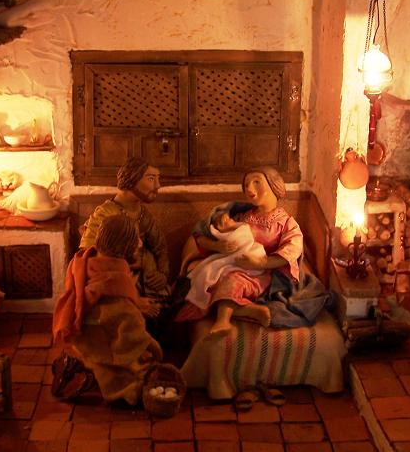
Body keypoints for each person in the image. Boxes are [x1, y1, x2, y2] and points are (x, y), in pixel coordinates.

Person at [176, 166, 303, 336]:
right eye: (246, 185)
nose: (249, 188)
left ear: (274, 185)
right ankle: (252, 311)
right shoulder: (242, 216)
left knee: (232, 282)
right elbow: (207, 236)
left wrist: (261, 262)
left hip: (262, 275)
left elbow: (292, 249)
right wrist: (220, 242)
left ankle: (223, 321)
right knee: (209, 284)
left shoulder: (287, 223)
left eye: (256, 182)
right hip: (233, 265)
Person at [52, 214, 163, 404]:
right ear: (123, 247)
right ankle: (120, 390)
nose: (139, 244)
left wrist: (136, 302)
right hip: (94, 340)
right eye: (135, 239)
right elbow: (129, 327)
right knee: (125, 372)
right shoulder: (115, 281)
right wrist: (151, 345)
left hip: (79, 327)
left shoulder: (84, 260)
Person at [79, 158, 171, 303]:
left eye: (157, 179)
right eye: (151, 179)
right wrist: (133, 264)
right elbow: (89, 255)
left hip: (145, 282)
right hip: (115, 284)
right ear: (132, 179)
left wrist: (163, 274)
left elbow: (160, 247)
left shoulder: (143, 215)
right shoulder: (105, 214)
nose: (158, 185)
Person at [184, 207, 267, 313]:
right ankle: (239, 312)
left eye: (229, 218)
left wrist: (260, 262)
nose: (230, 219)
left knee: (229, 281)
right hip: (232, 260)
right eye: (227, 219)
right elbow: (200, 236)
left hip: (256, 261)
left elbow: (244, 237)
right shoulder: (238, 213)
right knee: (213, 276)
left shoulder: (242, 221)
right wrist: (215, 245)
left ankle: (238, 311)